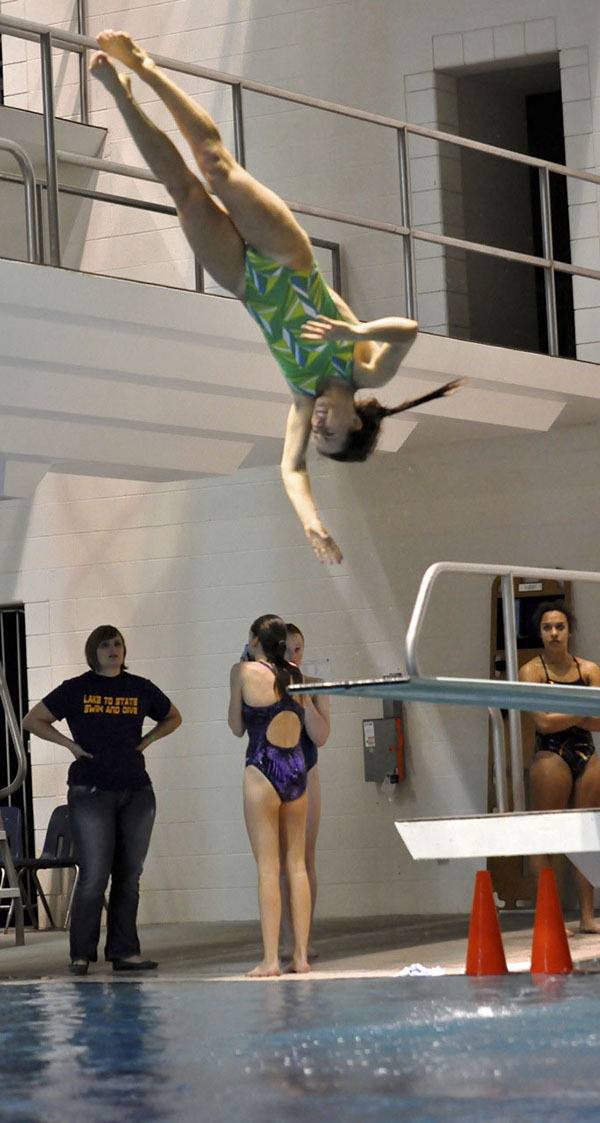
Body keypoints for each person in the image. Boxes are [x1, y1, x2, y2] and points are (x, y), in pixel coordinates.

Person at [89, 30, 461, 565]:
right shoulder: (367, 372)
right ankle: (146, 68)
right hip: (289, 258)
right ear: (355, 420)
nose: (318, 429)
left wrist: (313, 523)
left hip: (246, 283)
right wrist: (353, 332)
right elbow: (408, 330)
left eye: (319, 437)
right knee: (216, 167)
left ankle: (122, 95)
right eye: (331, 433)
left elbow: (291, 469)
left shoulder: (303, 396)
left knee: (184, 192)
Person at [22, 625, 182, 974]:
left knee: (128, 873)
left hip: (136, 790)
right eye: (106, 645)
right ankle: (81, 953)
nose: (113, 649)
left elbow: (173, 717)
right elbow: (33, 720)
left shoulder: (140, 687)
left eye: (118, 644)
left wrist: (148, 739)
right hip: (91, 791)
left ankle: (124, 952)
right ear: (93, 651)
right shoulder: (77, 689)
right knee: (94, 873)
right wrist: (70, 745)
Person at [228, 614, 328, 976]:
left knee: (268, 869)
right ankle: (300, 957)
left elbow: (236, 727)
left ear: (255, 640)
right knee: (298, 865)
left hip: (261, 770)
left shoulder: (242, 672)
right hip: (297, 770)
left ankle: (272, 959)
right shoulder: (296, 676)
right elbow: (314, 729)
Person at [519, 601, 600, 933]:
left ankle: (586, 916)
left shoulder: (589, 670)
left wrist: (567, 714)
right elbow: (543, 723)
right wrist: (581, 712)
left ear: (569, 631)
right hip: (550, 753)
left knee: (587, 833)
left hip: (584, 750)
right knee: (547, 832)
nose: (554, 634)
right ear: (540, 633)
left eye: (560, 627)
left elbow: (597, 722)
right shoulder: (532, 671)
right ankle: (548, 915)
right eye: (547, 628)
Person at [280, 623, 330, 957]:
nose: (293, 656)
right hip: (274, 774)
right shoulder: (263, 685)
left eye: (298, 649)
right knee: (281, 861)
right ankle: (285, 938)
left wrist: (305, 703)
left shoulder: (315, 686)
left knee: (304, 857)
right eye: (286, 649)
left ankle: (303, 937)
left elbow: (322, 736)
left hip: (306, 770)